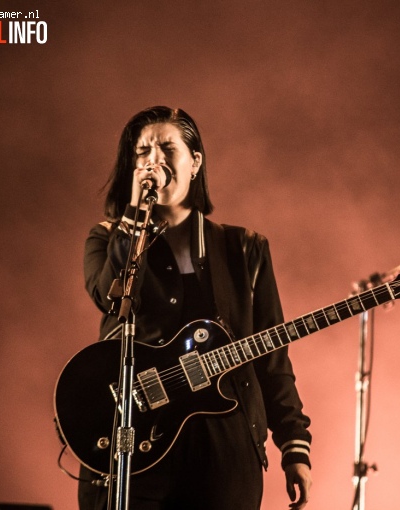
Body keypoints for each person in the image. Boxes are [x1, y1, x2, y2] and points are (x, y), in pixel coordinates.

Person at [79, 106, 312, 510]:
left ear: (195, 162)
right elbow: (110, 299)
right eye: (142, 151)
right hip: (137, 441)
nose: (154, 159)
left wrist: (294, 445)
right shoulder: (108, 237)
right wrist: (133, 219)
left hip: (224, 448)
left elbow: (271, 358)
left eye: (167, 147)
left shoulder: (245, 249)